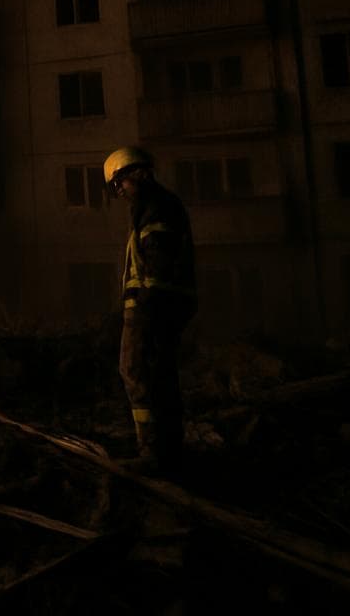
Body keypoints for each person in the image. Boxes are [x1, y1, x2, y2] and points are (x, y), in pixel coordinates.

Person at [105, 146, 197, 475]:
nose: (119, 191)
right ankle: (169, 450)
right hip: (162, 304)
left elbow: (157, 265)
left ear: (138, 174)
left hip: (153, 306)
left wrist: (144, 305)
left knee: (135, 371)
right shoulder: (156, 206)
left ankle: (152, 452)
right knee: (160, 376)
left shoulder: (155, 208)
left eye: (120, 183)